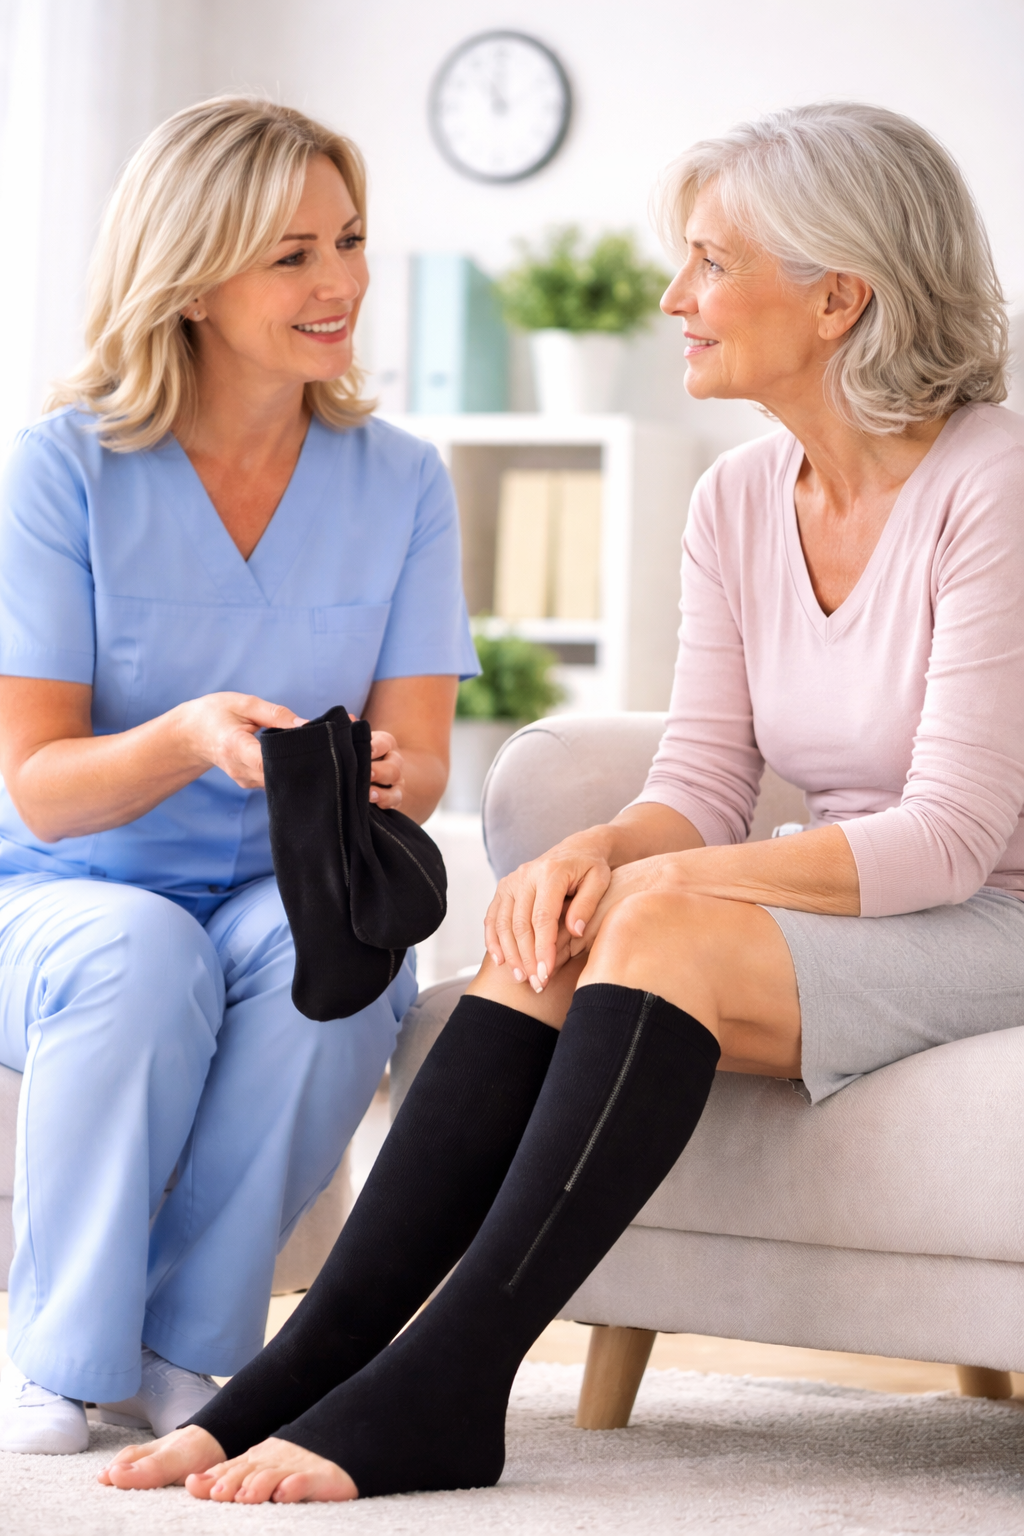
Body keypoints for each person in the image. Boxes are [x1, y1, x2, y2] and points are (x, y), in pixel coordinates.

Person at [101, 102, 1024, 1504]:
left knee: (654, 921)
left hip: (988, 917)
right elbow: (701, 785)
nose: (675, 299)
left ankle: (451, 1379)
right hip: (858, 905)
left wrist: (663, 883)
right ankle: (312, 1363)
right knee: (553, 930)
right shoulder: (736, 498)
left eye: (712, 262)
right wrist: (592, 855)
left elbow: (953, 839)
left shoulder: (994, 485)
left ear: (839, 297)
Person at [0, 97, 477, 1455]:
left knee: (340, 966)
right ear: (194, 278)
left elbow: (424, 763)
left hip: (293, 884)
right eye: (292, 255)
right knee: (143, 953)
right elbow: (38, 787)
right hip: (63, 893)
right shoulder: (62, 470)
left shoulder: (403, 482)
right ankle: (65, 1362)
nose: (341, 284)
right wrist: (184, 739)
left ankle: (194, 1353)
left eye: (351, 241)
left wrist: (387, 773)